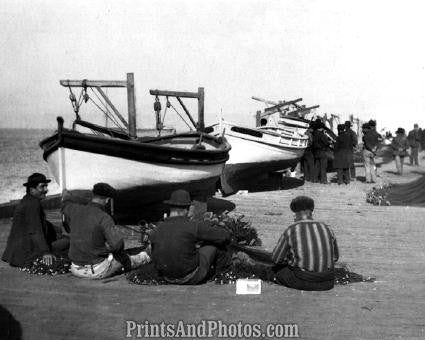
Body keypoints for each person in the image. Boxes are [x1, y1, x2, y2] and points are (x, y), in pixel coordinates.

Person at [62, 183, 150, 279]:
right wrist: (105, 250)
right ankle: (148, 255)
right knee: (128, 258)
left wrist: (66, 195)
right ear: (108, 200)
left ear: (93, 195)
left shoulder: (75, 209)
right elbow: (118, 245)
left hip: (75, 268)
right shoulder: (104, 217)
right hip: (96, 271)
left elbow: (65, 204)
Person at [150, 189, 231, 284]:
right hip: (191, 277)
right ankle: (222, 274)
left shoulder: (157, 229)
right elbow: (224, 236)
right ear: (187, 209)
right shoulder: (192, 225)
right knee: (215, 244)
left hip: (166, 277)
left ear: (170, 208)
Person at [271, 196, 339, 290]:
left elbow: (276, 259)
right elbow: (335, 257)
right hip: (327, 282)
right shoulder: (327, 228)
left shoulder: (292, 229)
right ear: (311, 211)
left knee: (276, 272)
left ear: (296, 213)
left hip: (303, 280)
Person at [2, 173, 69, 268]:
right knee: (69, 242)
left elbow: (37, 222)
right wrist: (45, 252)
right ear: (32, 189)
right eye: (42, 187)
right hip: (27, 253)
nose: (46, 190)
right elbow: (35, 231)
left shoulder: (26, 200)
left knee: (59, 235)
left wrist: (56, 230)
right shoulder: (33, 205)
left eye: (46, 186)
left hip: (17, 252)